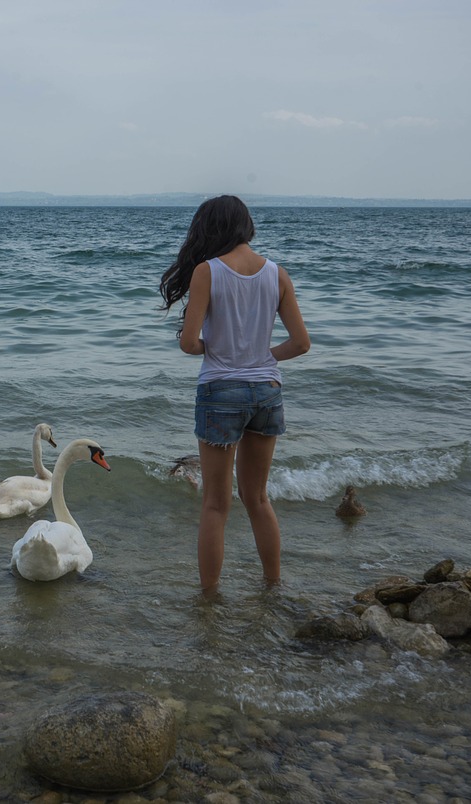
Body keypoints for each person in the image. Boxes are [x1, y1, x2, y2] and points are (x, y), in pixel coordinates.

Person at [158, 195, 310, 596]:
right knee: (257, 497)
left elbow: (189, 343)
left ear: (210, 229)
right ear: (246, 226)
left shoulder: (207, 272)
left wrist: (217, 349)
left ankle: (209, 597)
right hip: (267, 390)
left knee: (215, 504)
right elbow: (300, 343)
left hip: (221, 390)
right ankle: (273, 586)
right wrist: (261, 356)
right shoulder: (278, 274)